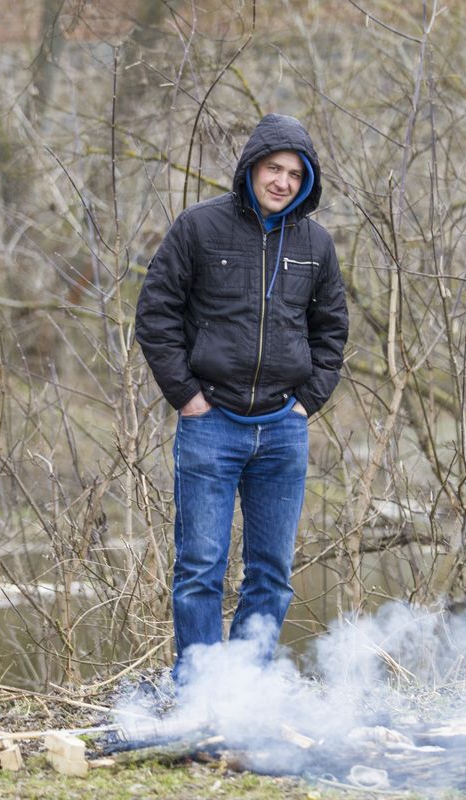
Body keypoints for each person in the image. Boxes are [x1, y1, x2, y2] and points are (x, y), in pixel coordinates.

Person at [135, 114, 348, 678]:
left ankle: (247, 694)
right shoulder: (199, 228)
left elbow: (332, 331)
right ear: (251, 167)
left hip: (283, 429)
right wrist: (186, 395)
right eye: (274, 168)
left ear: (306, 182)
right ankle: (202, 694)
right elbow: (155, 313)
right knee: (200, 570)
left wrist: (307, 402)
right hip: (210, 423)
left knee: (271, 573)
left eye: (295, 174)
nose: (282, 181)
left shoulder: (316, 244)